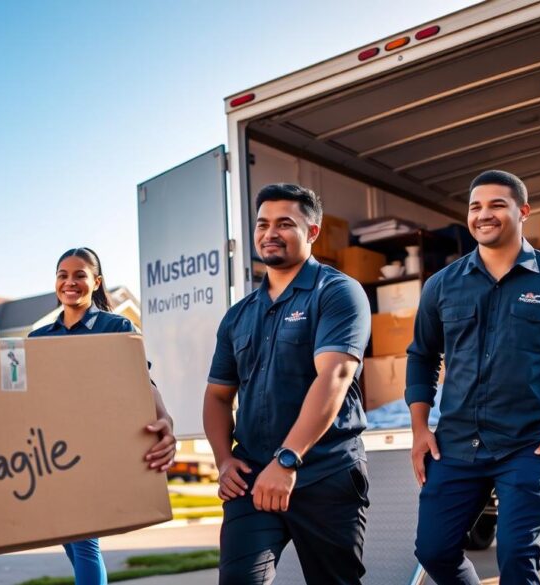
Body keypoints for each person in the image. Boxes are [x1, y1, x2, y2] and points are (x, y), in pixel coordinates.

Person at [407, 170, 540, 584]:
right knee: (433, 551)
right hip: (455, 444)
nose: (484, 214)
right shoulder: (441, 285)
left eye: (496, 204)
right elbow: (422, 356)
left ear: (523, 211)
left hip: (528, 446)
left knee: (518, 561)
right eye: (475, 206)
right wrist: (419, 429)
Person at [203, 183, 372, 585]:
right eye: (262, 224)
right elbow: (217, 395)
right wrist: (224, 459)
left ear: (312, 232)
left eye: (284, 224)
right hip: (254, 476)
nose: (269, 233)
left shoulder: (337, 293)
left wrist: (288, 459)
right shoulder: (239, 315)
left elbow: (334, 375)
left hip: (325, 473)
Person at [28, 247, 176, 585]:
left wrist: (165, 419)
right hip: (49, 450)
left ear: (96, 282)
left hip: (93, 447)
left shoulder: (114, 326)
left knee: (83, 542)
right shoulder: (39, 338)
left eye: (80, 275)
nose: (70, 282)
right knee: (72, 538)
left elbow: (142, 380)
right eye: (62, 275)